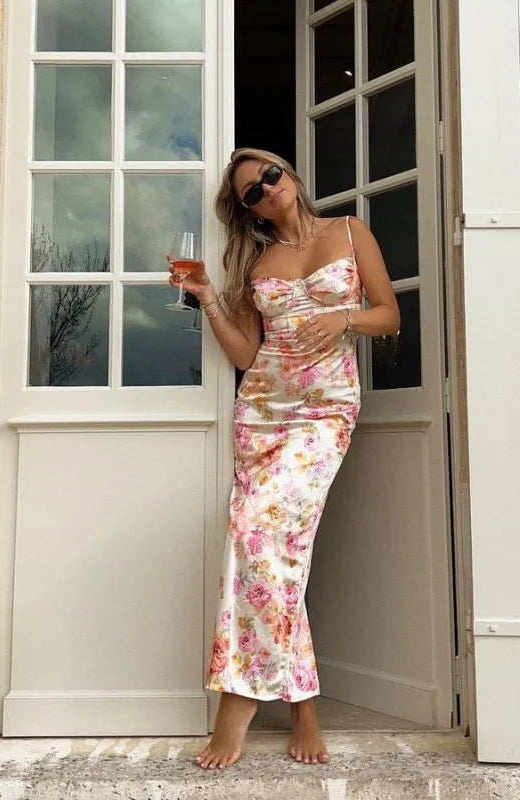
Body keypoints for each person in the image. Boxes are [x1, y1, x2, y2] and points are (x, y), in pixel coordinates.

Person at [168, 147, 400, 770]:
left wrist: (345, 319)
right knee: (274, 550)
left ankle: (236, 703)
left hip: (325, 410)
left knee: (257, 535)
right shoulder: (256, 261)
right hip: (263, 412)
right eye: (251, 192)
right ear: (249, 210)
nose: (266, 189)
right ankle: (303, 707)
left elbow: (389, 314)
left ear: (289, 174)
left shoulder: (348, 232)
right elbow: (248, 355)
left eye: (270, 175)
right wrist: (206, 296)